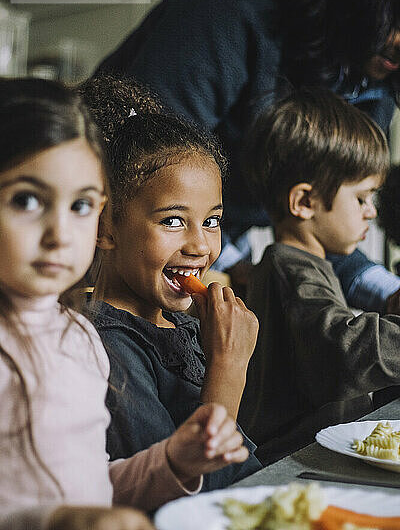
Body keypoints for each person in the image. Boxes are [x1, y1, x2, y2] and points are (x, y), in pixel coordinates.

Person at [96, 0, 400, 311]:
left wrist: (388, 293)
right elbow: (146, 180)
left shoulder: (376, 78)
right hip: (116, 253)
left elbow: (320, 221)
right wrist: (231, 262)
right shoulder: (227, 13)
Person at [0, 78, 251, 530]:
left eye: (80, 205)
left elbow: (97, 485)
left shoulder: (76, 338)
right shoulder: (105, 337)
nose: (61, 234)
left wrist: (175, 462)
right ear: (110, 228)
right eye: (28, 200)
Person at [80, 75, 261, 492]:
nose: (200, 244)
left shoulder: (183, 325)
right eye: (173, 221)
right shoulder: (106, 347)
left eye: (212, 221)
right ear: (105, 226)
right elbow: (182, 496)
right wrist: (228, 367)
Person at [237, 88, 400, 466]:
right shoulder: (289, 267)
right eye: (361, 198)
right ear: (304, 202)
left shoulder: (301, 266)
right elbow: (342, 348)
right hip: (295, 460)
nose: (370, 213)